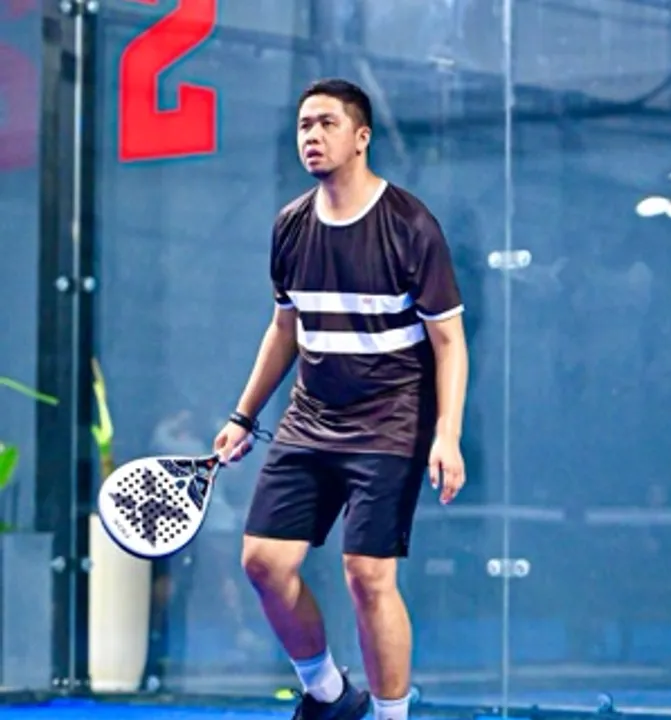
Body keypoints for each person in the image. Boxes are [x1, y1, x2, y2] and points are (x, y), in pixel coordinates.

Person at [213, 78, 469, 720]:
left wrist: (447, 434)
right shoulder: (291, 226)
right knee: (263, 563)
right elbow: (285, 329)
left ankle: (391, 716)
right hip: (309, 422)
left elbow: (449, 342)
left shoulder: (411, 226)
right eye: (304, 125)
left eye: (327, 123)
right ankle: (328, 695)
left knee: (368, 575)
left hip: (391, 423)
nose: (312, 136)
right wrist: (243, 416)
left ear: (361, 138)